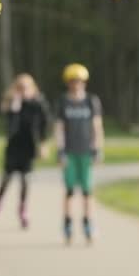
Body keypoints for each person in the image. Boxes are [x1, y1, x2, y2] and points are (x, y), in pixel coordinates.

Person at [0, 74, 50, 229]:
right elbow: (9, 129)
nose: (23, 91)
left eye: (26, 87)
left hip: (29, 148)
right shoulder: (12, 105)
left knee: (25, 180)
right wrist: (14, 109)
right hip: (13, 147)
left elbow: (46, 124)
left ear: (32, 88)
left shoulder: (38, 104)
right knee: (6, 179)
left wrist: (43, 144)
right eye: (20, 88)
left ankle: (22, 210)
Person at [55, 63, 104, 245]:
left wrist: (97, 149)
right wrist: (60, 150)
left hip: (86, 152)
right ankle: (67, 224)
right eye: (73, 81)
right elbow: (59, 128)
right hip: (69, 152)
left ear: (84, 82)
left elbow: (97, 127)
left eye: (79, 81)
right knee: (69, 191)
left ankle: (88, 223)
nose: (76, 85)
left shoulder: (91, 101)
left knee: (87, 191)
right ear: (68, 83)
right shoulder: (63, 102)